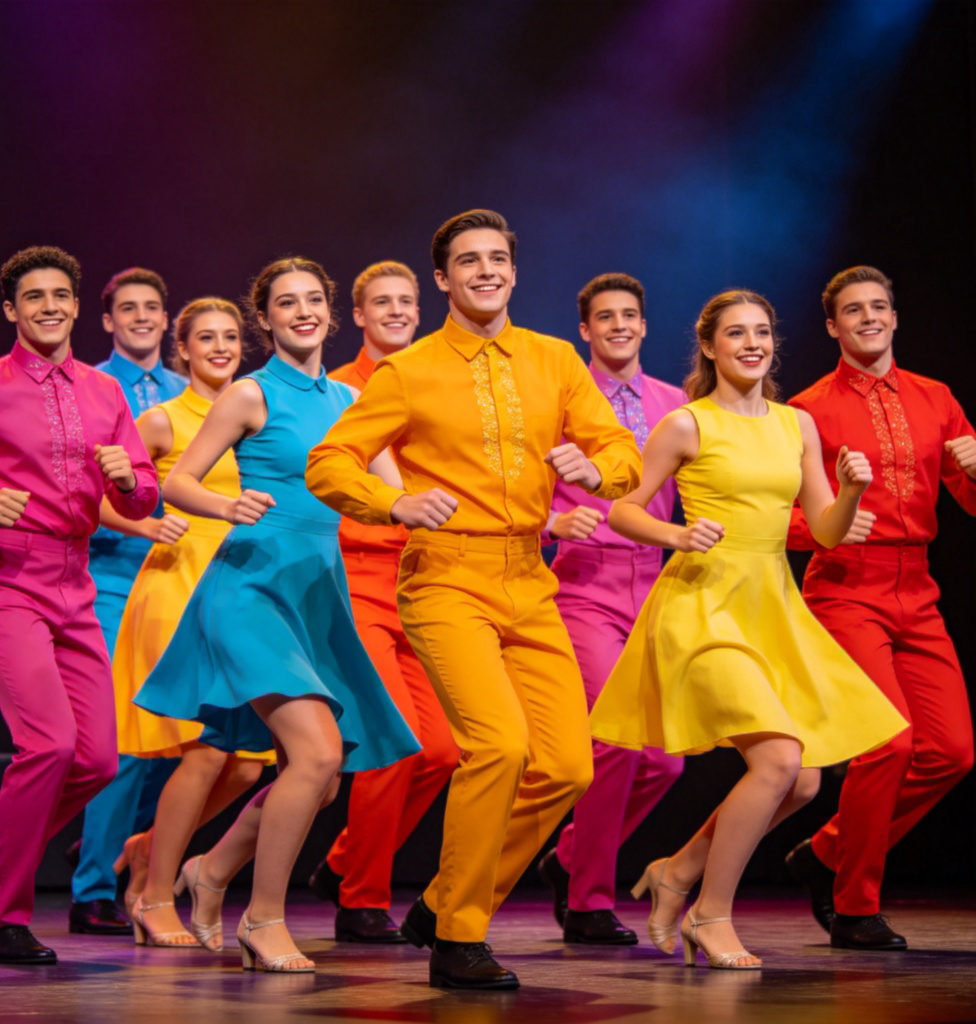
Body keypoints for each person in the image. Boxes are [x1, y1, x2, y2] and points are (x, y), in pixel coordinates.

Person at [305, 210, 642, 990]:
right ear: (444, 279)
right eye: (468, 260)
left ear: (514, 273)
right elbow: (330, 464)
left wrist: (602, 475)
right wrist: (391, 506)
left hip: (529, 575)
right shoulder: (409, 370)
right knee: (497, 746)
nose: (485, 270)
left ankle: (448, 900)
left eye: (498, 258)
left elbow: (618, 449)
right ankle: (458, 937)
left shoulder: (556, 359)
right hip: (445, 577)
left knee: (565, 766)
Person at [589, 290, 906, 969]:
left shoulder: (797, 427)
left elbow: (822, 530)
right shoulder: (686, 424)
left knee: (803, 782)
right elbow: (623, 513)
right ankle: (712, 914)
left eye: (762, 332)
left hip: (770, 603)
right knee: (779, 760)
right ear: (710, 346)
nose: (752, 343)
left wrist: (851, 492)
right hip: (701, 604)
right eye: (736, 333)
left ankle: (676, 870)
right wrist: (677, 532)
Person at [134, 256, 419, 972]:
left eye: (313, 300)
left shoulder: (352, 403)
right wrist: (227, 505)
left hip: (318, 593)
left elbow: (395, 491)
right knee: (317, 753)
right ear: (265, 318)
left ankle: (212, 871)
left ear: (328, 310)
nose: (303, 312)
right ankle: (263, 919)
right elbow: (176, 482)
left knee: (322, 776)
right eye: (286, 303)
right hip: (250, 588)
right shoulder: (250, 395)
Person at [0, 246, 158, 964]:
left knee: (98, 760)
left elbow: (144, 491)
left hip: (76, 582)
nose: (49, 306)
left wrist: (125, 477)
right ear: (11, 310)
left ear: (75, 305)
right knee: (49, 744)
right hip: (6, 579)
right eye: (33, 297)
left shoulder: (105, 393)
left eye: (60, 295)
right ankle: (2, 916)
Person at [784, 266, 975, 951]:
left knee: (950, 751)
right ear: (833, 326)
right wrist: (828, 525)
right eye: (852, 310)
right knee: (887, 745)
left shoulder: (937, 398)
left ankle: (827, 852)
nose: (869, 317)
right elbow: (778, 518)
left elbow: (970, 499)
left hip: (917, 590)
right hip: (845, 587)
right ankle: (856, 905)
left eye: (879, 306)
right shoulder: (807, 410)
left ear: (895, 317)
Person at [108, 298, 270, 949]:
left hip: (238, 591)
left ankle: (149, 847)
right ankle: (153, 896)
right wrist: (141, 522)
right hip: (177, 589)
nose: (221, 347)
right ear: (185, 348)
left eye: (231, 336)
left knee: (249, 764)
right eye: (207, 337)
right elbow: (97, 494)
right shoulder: (162, 419)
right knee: (205, 750)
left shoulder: (252, 411)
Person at [308, 261, 457, 944]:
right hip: (357, 575)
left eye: (406, 301)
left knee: (443, 750)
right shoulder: (338, 391)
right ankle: (361, 897)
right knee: (392, 743)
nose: (396, 311)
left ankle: (342, 861)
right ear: (359, 317)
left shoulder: (437, 379)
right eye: (380, 303)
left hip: (426, 577)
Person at [536, 273, 685, 944]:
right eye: (605, 317)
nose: (619, 325)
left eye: (630, 314)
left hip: (655, 584)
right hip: (584, 585)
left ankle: (569, 856)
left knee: (665, 762)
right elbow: (520, 484)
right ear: (585, 332)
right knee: (612, 741)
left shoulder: (676, 403)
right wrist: (547, 524)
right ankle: (589, 897)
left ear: (645, 326)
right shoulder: (564, 400)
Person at [69, 267, 187, 936]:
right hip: (113, 579)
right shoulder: (88, 387)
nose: (142, 317)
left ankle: (116, 856)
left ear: (167, 319)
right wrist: (140, 526)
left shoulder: (191, 394)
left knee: (175, 741)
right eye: (128, 309)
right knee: (122, 738)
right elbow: (84, 490)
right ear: (108, 321)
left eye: (152, 306)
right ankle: (91, 887)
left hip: (179, 579)